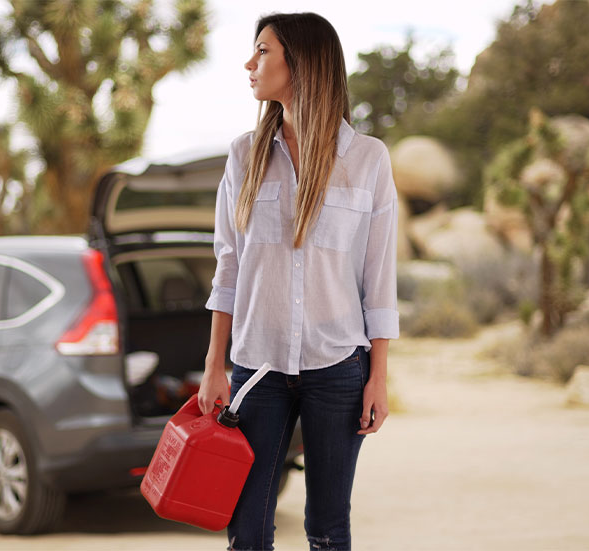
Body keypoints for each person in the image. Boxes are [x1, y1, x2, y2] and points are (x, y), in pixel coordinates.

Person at [197, 11, 400, 551]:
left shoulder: (368, 159)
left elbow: (378, 278)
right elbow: (229, 267)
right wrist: (215, 366)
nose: (250, 63)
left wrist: (378, 377)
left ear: (302, 62)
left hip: (338, 367)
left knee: (328, 529)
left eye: (262, 51)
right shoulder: (244, 155)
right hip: (255, 366)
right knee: (248, 529)